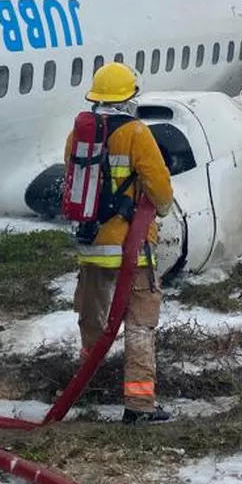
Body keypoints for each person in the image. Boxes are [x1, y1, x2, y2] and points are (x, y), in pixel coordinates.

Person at [64, 62, 174, 424]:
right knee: (140, 322)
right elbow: (158, 185)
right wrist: (161, 208)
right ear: (128, 98)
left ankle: (86, 385)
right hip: (130, 246)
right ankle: (139, 404)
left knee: (92, 317)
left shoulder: (79, 134)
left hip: (91, 242)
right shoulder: (137, 133)